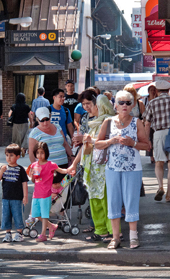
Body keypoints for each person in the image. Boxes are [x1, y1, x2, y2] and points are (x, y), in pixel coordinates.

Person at [95, 91, 149, 249]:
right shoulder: (108, 122)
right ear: (115, 105)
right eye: (121, 102)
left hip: (133, 168)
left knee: (131, 200)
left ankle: (133, 236)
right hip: (112, 168)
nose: (124, 105)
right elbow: (97, 144)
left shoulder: (136, 122)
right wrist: (111, 141)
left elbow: (146, 145)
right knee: (113, 201)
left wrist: (132, 143)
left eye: (128, 102)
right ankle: (115, 237)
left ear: (132, 105)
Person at [68, 93, 115, 242]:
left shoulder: (108, 122)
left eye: (93, 104)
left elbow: (101, 143)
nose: (89, 108)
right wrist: (75, 164)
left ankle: (112, 231)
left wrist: (87, 140)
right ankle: (101, 230)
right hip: (93, 169)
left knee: (105, 200)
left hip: (104, 169)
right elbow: (86, 147)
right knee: (95, 200)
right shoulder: (94, 122)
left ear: (99, 107)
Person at [26, 107, 73, 226]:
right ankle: (38, 216)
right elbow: (32, 153)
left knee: (62, 190)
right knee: (45, 192)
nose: (45, 123)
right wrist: (35, 167)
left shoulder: (57, 126)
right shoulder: (35, 133)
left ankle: (61, 215)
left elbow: (65, 143)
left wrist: (72, 157)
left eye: (47, 119)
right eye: (42, 120)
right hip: (46, 168)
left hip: (61, 165)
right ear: (37, 119)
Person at [29, 142, 69, 242]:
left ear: (46, 153)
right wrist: (31, 175)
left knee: (44, 214)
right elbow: (33, 181)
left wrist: (70, 170)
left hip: (46, 193)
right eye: (37, 153)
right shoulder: (34, 165)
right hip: (36, 194)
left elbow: (62, 171)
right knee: (35, 214)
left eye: (42, 152)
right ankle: (52, 226)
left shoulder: (51, 165)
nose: (39, 155)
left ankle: (43, 234)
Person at [0, 144, 29, 243]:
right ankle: (8, 233)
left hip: (17, 198)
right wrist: (1, 171)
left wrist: (25, 196)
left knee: (18, 215)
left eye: (11, 155)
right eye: (7, 155)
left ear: (17, 156)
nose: (8, 158)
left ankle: (19, 233)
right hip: (6, 197)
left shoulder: (21, 169)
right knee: (6, 215)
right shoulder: (4, 168)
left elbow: (24, 183)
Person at [9, 93, 31, 157]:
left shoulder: (14, 106)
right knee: (24, 136)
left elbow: (9, 114)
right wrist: (32, 123)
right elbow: (30, 116)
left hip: (16, 124)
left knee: (16, 137)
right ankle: (23, 149)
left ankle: (17, 150)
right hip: (24, 123)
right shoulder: (26, 106)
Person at [143, 83, 157, 163]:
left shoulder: (157, 99)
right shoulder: (145, 100)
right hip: (148, 123)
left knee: (156, 140)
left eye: (154, 90)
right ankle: (151, 156)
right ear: (148, 91)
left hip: (156, 123)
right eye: (151, 90)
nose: (153, 92)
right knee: (149, 139)